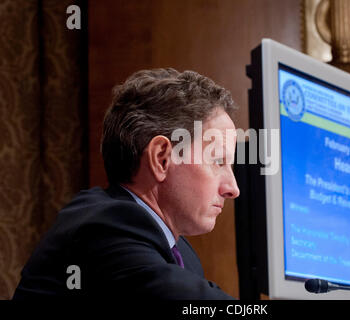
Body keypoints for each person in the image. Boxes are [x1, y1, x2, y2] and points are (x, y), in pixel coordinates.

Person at [13, 68, 240, 299]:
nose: (233, 188)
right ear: (162, 158)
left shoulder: (182, 253)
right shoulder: (104, 226)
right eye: (218, 161)